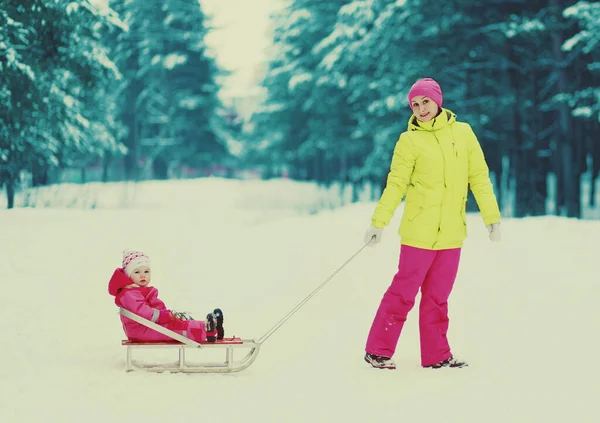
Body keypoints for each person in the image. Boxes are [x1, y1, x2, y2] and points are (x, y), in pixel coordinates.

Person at [363, 77, 501, 370]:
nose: (421, 108)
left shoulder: (463, 133)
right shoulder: (409, 140)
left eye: (425, 101)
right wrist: (379, 222)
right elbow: (396, 183)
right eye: (415, 104)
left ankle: (437, 354)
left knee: (438, 298)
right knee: (403, 293)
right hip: (418, 232)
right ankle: (377, 350)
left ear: (438, 100)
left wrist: (491, 216)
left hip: (452, 233)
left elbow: (478, 176)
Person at [108, 249, 224, 343]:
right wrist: (162, 315)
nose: (143, 275)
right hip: (140, 329)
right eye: (137, 272)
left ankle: (208, 326)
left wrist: (165, 314)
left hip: (146, 325)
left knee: (177, 324)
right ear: (128, 275)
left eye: (146, 272)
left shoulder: (137, 291)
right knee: (175, 329)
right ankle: (206, 330)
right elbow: (142, 312)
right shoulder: (129, 294)